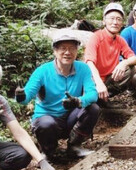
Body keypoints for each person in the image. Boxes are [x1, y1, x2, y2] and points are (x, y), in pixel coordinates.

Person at [16, 29, 99, 160]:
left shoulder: (83, 68)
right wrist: (21, 96)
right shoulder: (43, 71)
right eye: (63, 48)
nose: (68, 52)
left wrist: (78, 101)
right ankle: (48, 152)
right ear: (55, 51)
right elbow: (27, 97)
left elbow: (93, 94)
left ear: (77, 51)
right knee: (46, 124)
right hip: (48, 118)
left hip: (71, 117)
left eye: (72, 48)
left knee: (93, 108)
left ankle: (74, 146)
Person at [84, 3, 136, 103]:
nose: (115, 22)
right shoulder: (96, 37)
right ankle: (96, 99)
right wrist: (99, 82)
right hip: (94, 80)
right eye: (111, 18)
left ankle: (105, 97)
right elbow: (89, 62)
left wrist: (123, 63)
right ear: (104, 21)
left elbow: (134, 58)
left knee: (131, 69)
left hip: (108, 79)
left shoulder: (120, 40)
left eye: (119, 19)